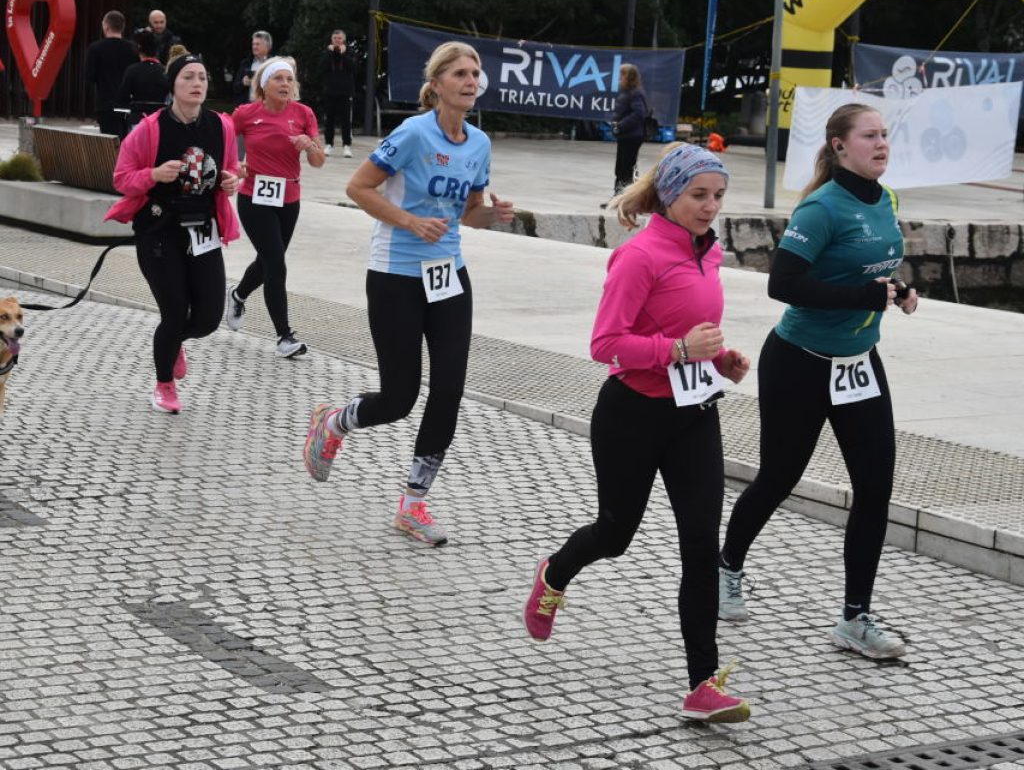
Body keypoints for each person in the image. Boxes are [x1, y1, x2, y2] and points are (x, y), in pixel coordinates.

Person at [522, 143, 753, 723]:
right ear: (669, 195)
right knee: (616, 532)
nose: (710, 207)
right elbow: (605, 344)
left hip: (694, 413)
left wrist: (719, 359)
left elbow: (693, 331)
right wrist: (677, 350)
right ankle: (555, 573)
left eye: (718, 196)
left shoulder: (710, 251)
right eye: (699, 195)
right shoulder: (638, 256)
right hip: (631, 414)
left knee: (700, 544)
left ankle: (703, 684)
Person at [718, 102, 918, 660]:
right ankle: (726, 565)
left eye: (885, 134)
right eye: (869, 136)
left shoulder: (887, 199)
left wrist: (898, 291)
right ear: (839, 146)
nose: (882, 144)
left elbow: (871, 269)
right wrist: (863, 296)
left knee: (875, 488)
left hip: (858, 363)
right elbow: (782, 283)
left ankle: (855, 618)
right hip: (799, 362)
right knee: (779, 477)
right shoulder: (820, 208)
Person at [302, 41, 514, 546]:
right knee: (399, 397)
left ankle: (413, 503)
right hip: (396, 274)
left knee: (449, 390)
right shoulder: (413, 133)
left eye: (475, 73)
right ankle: (335, 422)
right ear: (436, 84)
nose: (470, 81)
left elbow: (469, 213)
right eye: (459, 73)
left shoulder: (479, 144)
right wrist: (410, 222)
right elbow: (358, 188)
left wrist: (494, 214)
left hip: (448, 276)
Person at [105, 54, 241, 414]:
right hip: (159, 231)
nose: (197, 83)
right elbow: (121, 179)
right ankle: (164, 384)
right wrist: (152, 175)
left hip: (203, 231)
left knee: (208, 318)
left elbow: (229, 169)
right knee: (175, 313)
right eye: (188, 77)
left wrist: (231, 181)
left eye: (202, 77)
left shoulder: (221, 126)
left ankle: (174, 340)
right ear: (173, 85)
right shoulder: (149, 129)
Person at [225, 56, 323, 357]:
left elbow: (318, 161)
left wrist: (309, 145)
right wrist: (234, 163)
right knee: (276, 264)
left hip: (288, 199)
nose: (285, 84)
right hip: (254, 198)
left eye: (289, 79)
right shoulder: (247, 113)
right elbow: (223, 138)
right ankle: (284, 337)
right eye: (278, 79)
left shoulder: (304, 113)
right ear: (264, 85)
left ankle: (238, 294)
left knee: (268, 261)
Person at [84, 11, 138, 135]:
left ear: (106, 26)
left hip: (106, 104)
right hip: (127, 104)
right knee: (126, 140)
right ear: (123, 27)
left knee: (109, 141)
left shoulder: (95, 48)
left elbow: (89, 76)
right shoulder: (133, 49)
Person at [603, 63, 649, 206]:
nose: (619, 78)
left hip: (632, 136)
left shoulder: (635, 93)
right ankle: (619, 198)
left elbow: (639, 114)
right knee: (621, 168)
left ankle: (627, 200)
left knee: (626, 169)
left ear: (629, 77)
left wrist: (621, 125)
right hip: (625, 136)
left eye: (622, 76)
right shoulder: (628, 92)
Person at [117, 30, 169, 131]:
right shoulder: (165, 71)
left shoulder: (132, 70)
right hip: (160, 120)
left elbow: (122, 96)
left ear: (138, 47)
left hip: (137, 120)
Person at [317, 29, 357, 157]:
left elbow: (354, 68)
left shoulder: (350, 51)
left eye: (339, 38)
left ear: (343, 39)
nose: (337, 41)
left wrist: (343, 54)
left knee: (346, 120)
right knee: (329, 119)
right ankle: (329, 144)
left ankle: (347, 145)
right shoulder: (327, 52)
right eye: (335, 38)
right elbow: (321, 68)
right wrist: (330, 53)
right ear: (332, 40)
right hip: (330, 91)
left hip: (345, 92)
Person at [232, 31, 273, 107]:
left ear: (267, 46)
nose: (254, 47)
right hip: (248, 107)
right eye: (253, 44)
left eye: (257, 44)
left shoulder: (274, 64)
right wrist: (243, 83)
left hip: (267, 107)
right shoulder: (246, 63)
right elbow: (235, 88)